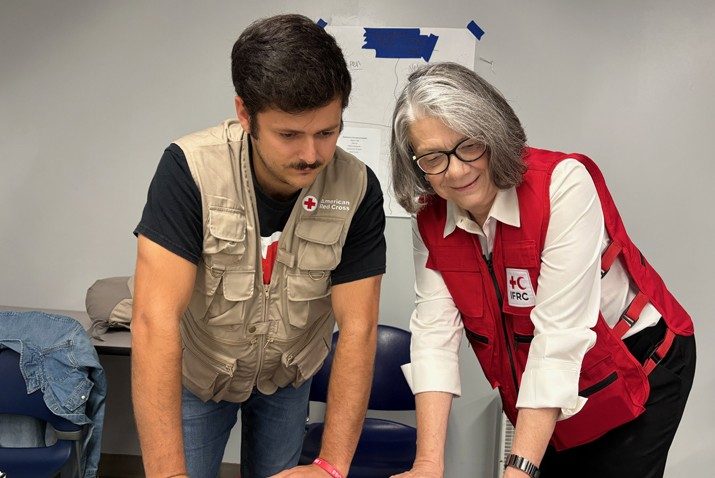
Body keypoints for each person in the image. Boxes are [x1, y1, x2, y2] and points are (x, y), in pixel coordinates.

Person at [389, 62, 695, 478]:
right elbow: (434, 337)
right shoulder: (430, 220)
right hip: (550, 377)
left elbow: (557, 339)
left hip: (639, 360)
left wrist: (517, 469)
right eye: (432, 158)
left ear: (493, 134)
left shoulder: (564, 185)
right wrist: (427, 464)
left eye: (469, 146)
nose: (456, 170)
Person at [131, 14, 386, 478]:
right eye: (289, 134)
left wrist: (331, 466)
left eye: (327, 132)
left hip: (288, 374)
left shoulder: (357, 188)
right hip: (202, 371)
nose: (311, 154)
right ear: (245, 113)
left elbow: (360, 327)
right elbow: (154, 320)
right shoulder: (189, 170)